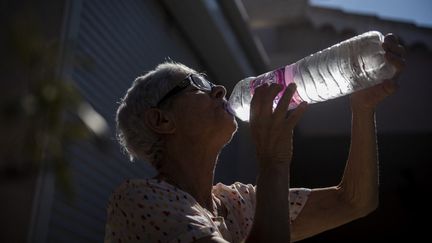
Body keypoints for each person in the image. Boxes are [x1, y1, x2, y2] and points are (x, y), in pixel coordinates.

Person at [104, 33, 405, 243]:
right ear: (161, 120)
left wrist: (362, 109)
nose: (219, 89)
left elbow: (354, 202)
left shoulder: (239, 202)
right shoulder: (139, 201)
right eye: (195, 83)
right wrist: (273, 161)